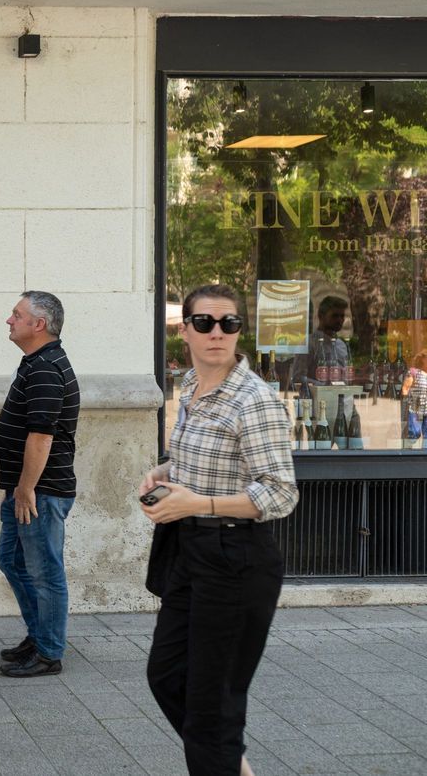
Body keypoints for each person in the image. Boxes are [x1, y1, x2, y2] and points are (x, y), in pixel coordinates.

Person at [140, 283, 297, 776]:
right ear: (184, 330)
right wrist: (166, 471)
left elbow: (280, 493)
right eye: (204, 322)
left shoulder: (254, 400)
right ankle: (229, 762)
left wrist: (198, 503)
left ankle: (223, 757)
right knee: (167, 677)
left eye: (228, 323)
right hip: (191, 551)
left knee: (213, 709)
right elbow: (209, 457)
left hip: (236, 556)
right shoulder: (191, 386)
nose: (217, 333)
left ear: (238, 331)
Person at [0, 291, 80, 678]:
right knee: (12, 559)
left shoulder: (46, 368)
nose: (9, 320)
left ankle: (48, 652)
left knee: (45, 570)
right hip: (26, 490)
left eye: (17, 314)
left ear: (39, 324)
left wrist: (26, 488)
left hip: (40, 492)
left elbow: (42, 436)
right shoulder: (37, 362)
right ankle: (39, 634)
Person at [290, 295, 349, 387]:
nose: (339, 320)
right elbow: (298, 378)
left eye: (342, 316)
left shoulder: (341, 345)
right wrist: (323, 387)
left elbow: (345, 378)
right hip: (318, 395)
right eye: (335, 316)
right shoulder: (309, 343)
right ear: (321, 316)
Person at [401, 349, 427, 447]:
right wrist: (406, 405)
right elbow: (405, 388)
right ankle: (408, 452)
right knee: (414, 433)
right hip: (416, 408)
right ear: (423, 359)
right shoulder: (413, 372)